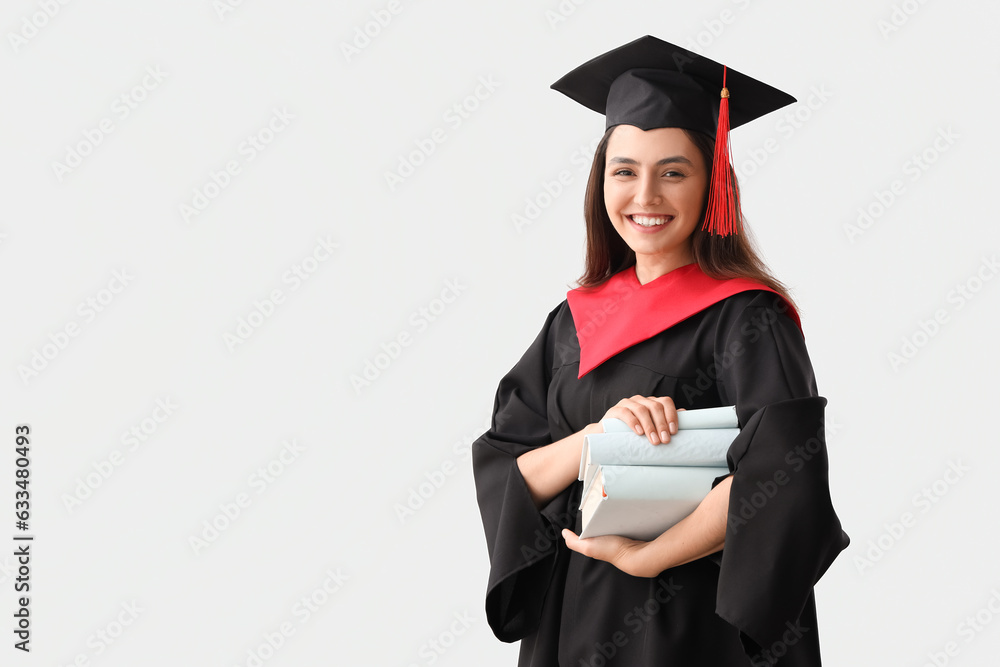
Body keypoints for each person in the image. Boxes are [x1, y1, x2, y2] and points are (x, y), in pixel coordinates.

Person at [471, 35, 849, 666]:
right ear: (601, 184)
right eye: (625, 171)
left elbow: (784, 473)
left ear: (712, 186)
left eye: (673, 172)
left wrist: (649, 555)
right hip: (569, 617)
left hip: (687, 624)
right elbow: (510, 469)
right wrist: (597, 437)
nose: (645, 196)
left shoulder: (746, 318)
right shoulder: (569, 322)